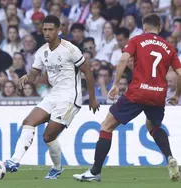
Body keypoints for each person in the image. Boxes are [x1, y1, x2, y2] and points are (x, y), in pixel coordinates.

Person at [73, 13, 181, 182]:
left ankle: (95, 172)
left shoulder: (137, 40)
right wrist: (176, 95)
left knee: (106, 126)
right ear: (159, 28)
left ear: (144, 27)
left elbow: (123, 59)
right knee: (153, 126)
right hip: (158, 94)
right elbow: (180, 73)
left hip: (138, 92)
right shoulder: (169, 47)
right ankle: (169, 158)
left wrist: (115, 84)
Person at [4, 15, 100, 179]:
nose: (47, 33)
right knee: (28, 122)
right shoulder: (42, 52)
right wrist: (26, 77)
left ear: (58, 30)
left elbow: (88, 72)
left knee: (48, 136)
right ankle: (14, 160)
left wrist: (92, 98)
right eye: (44, 30)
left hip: (70, 97)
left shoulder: (70, 49)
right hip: (54, 94)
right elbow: (34, 74)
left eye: (50, 29)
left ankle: (56, 167)